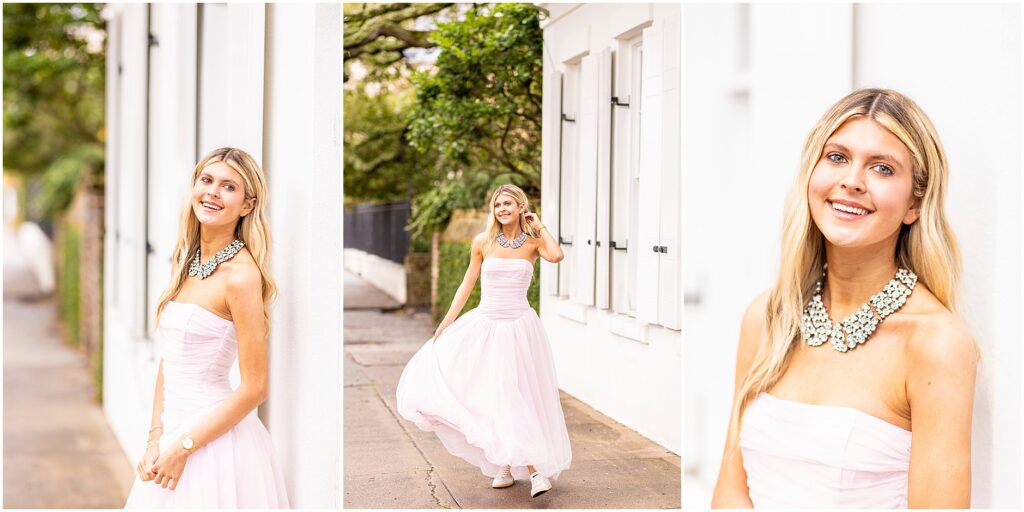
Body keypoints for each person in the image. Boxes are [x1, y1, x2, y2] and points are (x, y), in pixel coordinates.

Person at [711, 89, 977, 508]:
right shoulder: (766, 317)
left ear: (914, 204)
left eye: (883, 168)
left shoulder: (936, 343)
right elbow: (730, 489)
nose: (852, 181)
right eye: (837, 157)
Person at [124, 148, 289, 508]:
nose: (213, 192)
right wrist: (155, 439)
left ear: (247, 205)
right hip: (170, 437)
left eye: (229, 186)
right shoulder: (188, 260)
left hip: (214, 446)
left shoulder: (242, 277)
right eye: (207, 180)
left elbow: (255, 388)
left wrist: (185, 446)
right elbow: (170, 361)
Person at [396, 183, 572, 498]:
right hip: (487, 324)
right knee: (493, 395)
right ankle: (507, 465)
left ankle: (532, 472)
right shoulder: (483, 242)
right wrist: (447, 321)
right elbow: (467, 284)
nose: (502, 209)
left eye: (508, 204)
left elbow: (557, 255)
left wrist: (539, 224)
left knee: (516, 395)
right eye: (497, 205)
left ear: (520, 207)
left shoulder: (532, 242)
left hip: (519, 328)